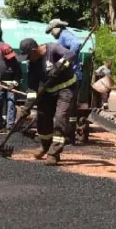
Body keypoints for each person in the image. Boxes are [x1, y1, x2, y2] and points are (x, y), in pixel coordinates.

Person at [19, 38, 77, 166]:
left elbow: (71, 54)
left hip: (66, 89)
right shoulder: (32, 65)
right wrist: (26, 108)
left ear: (34, 50)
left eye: (28, 55)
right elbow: (32, 88)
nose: (27, 59)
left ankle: (54, 153)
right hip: (48, 90)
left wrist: (58, 65)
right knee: (42, 118)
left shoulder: (53, 48)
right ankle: (45, 146)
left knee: (60, 118)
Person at [45, 19, 82, 144]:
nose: (51, 34)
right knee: (68, 110)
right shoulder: (62, 37)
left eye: (51, 31)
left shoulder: (65, 35)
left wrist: (66, 63)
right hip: (69, 76)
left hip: (72, 76)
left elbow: (76, 44)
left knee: (68, 110)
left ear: (56, 28)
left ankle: (68, 135)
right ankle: (68, 135)